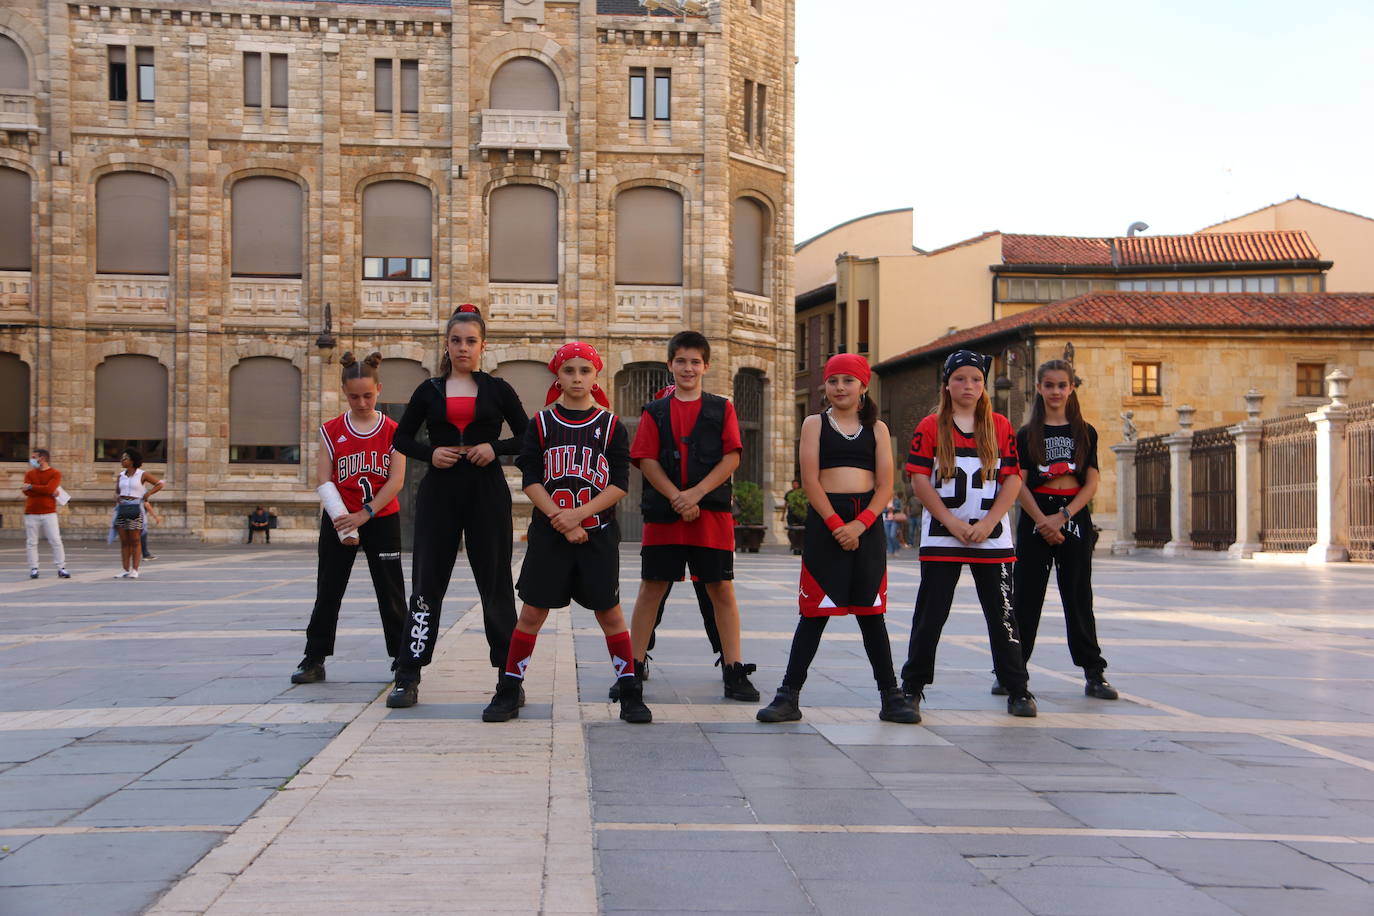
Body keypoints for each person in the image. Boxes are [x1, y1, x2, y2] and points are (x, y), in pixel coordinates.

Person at [484, 342, 652, 723]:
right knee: (531, 613)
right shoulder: (541, 424)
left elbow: (619, 483)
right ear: (557, 376)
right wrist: (560, 518)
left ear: (596, 377)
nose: (577, 377)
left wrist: (577, 517)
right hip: (550, 535)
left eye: (585, 371)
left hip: (597, 535)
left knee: (610, 615)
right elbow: (530, 478)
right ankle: (509, 689)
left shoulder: (610, 426)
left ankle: (630, 693)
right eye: (569, 370)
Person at [756, 355, 918, 724]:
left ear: (863, 386)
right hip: (826, 524)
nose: (840, 387)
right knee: (813, 612)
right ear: (825, 387)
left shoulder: (876, 428)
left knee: (871, 613)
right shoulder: (814, 424)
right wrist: (834, 523)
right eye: (833, 381)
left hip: (867, 523)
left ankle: (890, 696)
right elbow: (810, 479)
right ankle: (788, 695)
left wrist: (860, 524)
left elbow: (886, 485)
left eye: (848, 380)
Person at [387, 305, 528, 709]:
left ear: (483, 346)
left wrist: (493, 448)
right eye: (456, 341)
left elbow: (528, 436)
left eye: (470, 341)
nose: (463, 348)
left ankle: (509, 678)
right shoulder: (428, 390)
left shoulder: (499, 390)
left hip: (487, 492)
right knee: (426, 585)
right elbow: (401, 439)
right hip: (439, 494)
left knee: (496, 585)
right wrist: (431, 454)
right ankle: (408, 673)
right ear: (446, 345)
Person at [900, 350, 1036, 718]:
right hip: (945, 535)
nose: (969, 385)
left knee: (1002, 615)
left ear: (984, 386)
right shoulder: (930, 426)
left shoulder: (1000, 426)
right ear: (946, 384)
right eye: (960, 378)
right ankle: (912, 686)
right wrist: (953, 522)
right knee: (931, 614)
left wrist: (991, 521)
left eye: (976, 379)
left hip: (991, 536)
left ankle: (1017, 686)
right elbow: (919, 481)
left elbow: (1012, 479)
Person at [627, 331, 759, 702]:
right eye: (681, 361)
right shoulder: (654, 411)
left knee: (721, 588)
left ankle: (733, 668)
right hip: (664, 514)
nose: (688, 368)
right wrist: (677, 497)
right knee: (651, 587)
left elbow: (732, 456)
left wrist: (697, 494)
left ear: (706, 366)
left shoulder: (722, 408)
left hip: (711, 514)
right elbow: (647, 460)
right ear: (670, 365)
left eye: (695, 362)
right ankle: (632, 668)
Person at [291, 352, 408, 686]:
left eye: (368, 395)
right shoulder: (331, 431)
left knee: (391, 591)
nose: (361, 401)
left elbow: (396, 480)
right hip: (339, 519)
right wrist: (345, 520)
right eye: (354, 396)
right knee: (328, 589)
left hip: (381, 518)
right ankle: (314, 658)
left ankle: (402, 661)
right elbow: (323, 480)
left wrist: (365, 514)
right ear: (344, 392)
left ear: (379, 390)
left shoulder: (393, 431)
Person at [1010, 359, 1118, 700]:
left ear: (1071, 388)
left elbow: (1092, 481)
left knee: (1078, 595)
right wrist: (1042, 520)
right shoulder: (1027, 434)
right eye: (1049, 385)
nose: (1055, 391)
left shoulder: (1085, 431)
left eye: (1062, 385)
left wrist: (1065, 515)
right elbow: (1018, 482)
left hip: (1073, 515)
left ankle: (1093, 672)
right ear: (1039, 389)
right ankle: (1012, 670)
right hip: (1035, 515)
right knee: (1026, 596)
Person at [113, 449, 162, 579]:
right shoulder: (121, 475)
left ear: (132, 460)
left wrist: (148, 494)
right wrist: (118, 497)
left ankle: (135, 569)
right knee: (124, 541)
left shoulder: (142, 474)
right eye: (122, 458)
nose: (122, 460)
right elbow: (118, 491)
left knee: (135, 540)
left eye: (125, 458)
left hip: (136, 508)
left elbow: (160, 483)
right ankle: (125, 569)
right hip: (123, 508)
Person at [22, 449, 70, 579]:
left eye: (34, 457)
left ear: (42, 458)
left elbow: (49, 488)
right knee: (31, 542)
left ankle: (61, 567)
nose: (31, 460)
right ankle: (34, 568)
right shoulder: (29, 473)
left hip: (49, 511)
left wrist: (32, 487)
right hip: (31, 511)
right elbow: (26, 492)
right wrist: (43, 490)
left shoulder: (55, 473)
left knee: (55, 540)